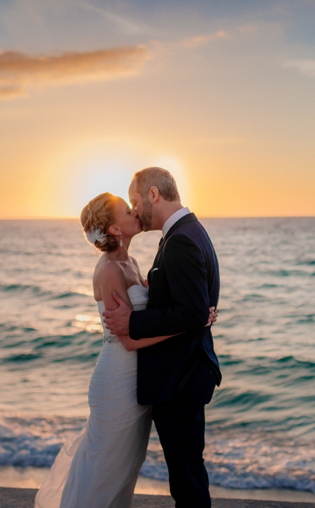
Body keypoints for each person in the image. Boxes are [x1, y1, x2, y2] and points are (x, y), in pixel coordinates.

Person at [35, 192, 217, 508]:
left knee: (125, 468)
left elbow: (149, 317)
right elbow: (130, 338)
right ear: (115, 230)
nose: (134, 211)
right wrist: (193, 322)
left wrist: (194, 311)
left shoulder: (130, 262)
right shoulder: (109, 270)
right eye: (126, 209)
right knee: (105, 469)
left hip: (139, 381)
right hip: (117, 379)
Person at [102, 167, 222, 508]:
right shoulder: (187, 231)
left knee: (186, 477)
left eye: (137, 201)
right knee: (186, 471)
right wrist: (199, 314)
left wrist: (132, 322)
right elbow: (193, 307)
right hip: (184, 373)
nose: (136, 210)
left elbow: (192, 312)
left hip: (180, 377)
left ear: (154, 194)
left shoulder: (181, 238)